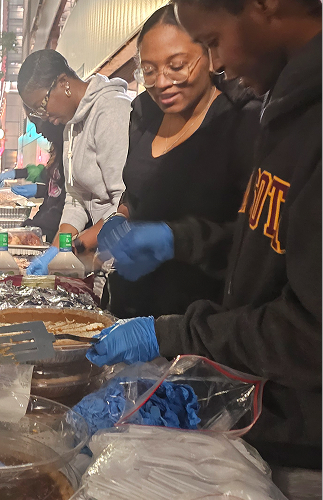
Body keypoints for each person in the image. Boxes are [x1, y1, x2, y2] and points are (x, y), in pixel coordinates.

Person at [91, 0, 322, 487]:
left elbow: (308, 332)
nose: (217, 65)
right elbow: (264, 241)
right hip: (255, 401)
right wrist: (180, 239)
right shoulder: (288, 108)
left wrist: (175, 335)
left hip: (304, 436)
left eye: (211, 43)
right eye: (149, 70)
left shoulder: (265, 117)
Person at [98, 4, 261, 319]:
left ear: (210, 54)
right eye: (148, 70)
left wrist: (176, 239)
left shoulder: (241, 120)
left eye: (177, 66)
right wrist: (118, 220)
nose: (161, 82)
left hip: (196, 321)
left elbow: (253, 240)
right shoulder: (143, 113)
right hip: (128, 306)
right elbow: (134, 193)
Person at [17, 49, 132, 276]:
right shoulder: (71, 124)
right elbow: (75, 198)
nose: (42, 116)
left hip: (123, 258)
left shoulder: (110, 111)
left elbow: (126, 204)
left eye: (41, 106)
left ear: (63, 83)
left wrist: (76, 246)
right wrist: (54, 250)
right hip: (98, 259)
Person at [0, 111, 67, 241]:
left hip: (63, 235)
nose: (38, 131)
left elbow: (64, 204)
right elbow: (45, 176)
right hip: (51, 232)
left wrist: (33, 225)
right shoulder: (57, 151)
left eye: (38, 123)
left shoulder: (69, 153)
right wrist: (19, 174)